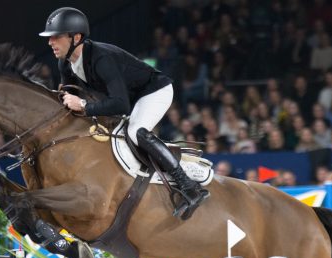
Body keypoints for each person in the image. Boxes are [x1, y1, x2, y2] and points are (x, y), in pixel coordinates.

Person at [40, 7, 209, 219]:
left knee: (135, 131)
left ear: (76, 37)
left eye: (56, 37)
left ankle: (189, 187)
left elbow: (120, 105)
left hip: (154, 90)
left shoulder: (101, 58)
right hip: (130, 97)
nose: (50, 42)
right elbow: (68, 96)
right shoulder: (64, 63)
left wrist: (83, 105)